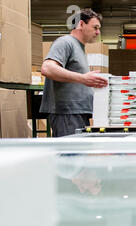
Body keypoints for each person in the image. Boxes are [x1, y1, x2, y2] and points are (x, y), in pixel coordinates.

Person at [40, 8, 108, 137]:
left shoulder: (79, 47)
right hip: (67, 115)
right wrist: (83, 78)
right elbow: (47, 68)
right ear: (81, 24)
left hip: (78, 114)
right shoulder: (65, 42)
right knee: (70, 156)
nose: (98, 32)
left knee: (78, 155)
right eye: (95, 27)